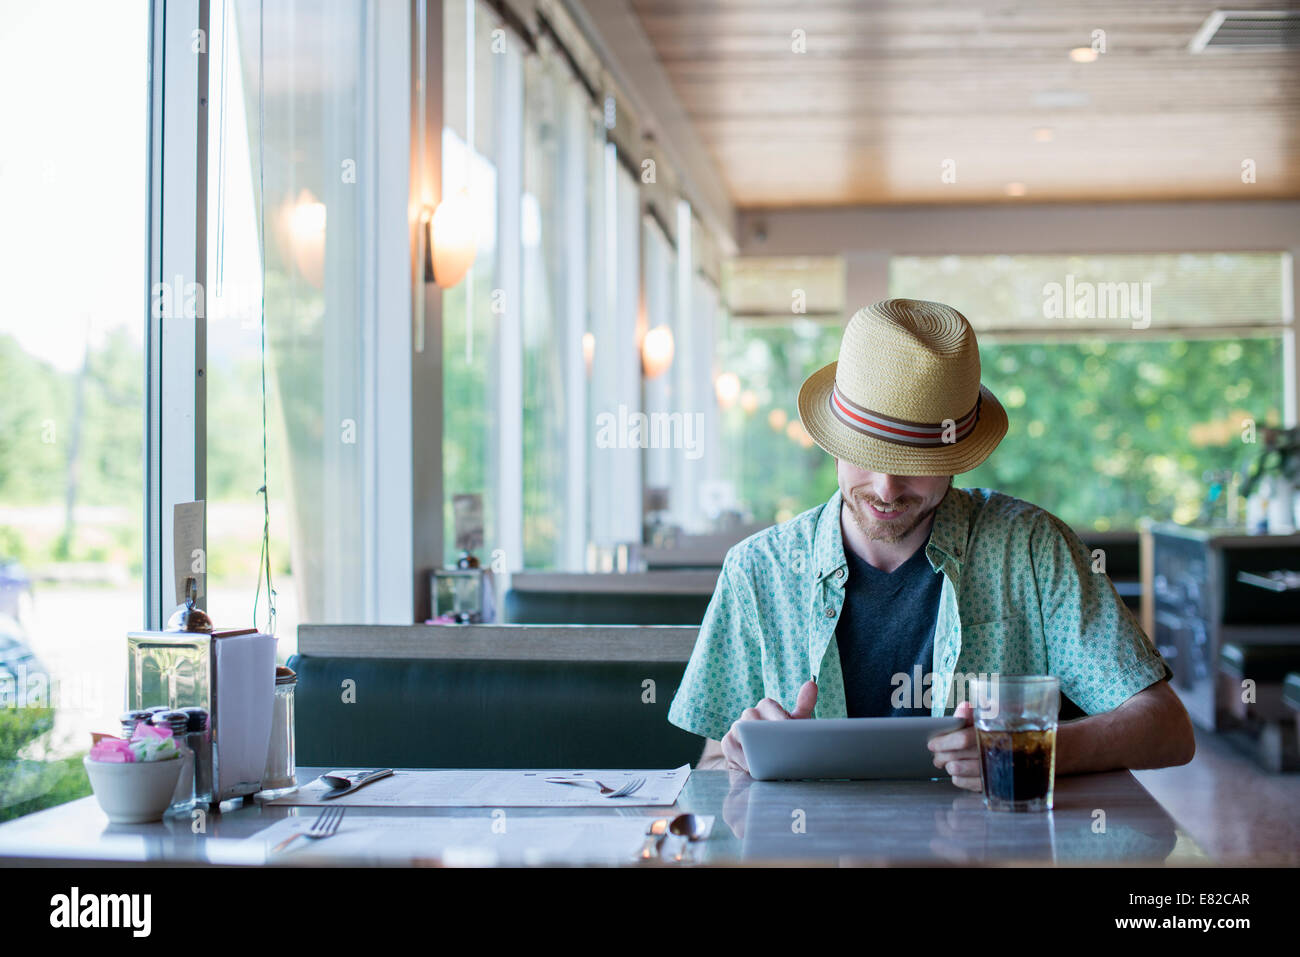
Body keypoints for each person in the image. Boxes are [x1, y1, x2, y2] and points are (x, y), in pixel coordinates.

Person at [667, 298, 1195, 786]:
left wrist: (1030, 751)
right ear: (833, 440)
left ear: (958, 458)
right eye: (865, 453)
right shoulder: (757, 571)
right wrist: (743, 756)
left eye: (915, 465)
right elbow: (713, 765)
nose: (885, 488)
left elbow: (1168, 729)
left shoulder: (1033, 550)